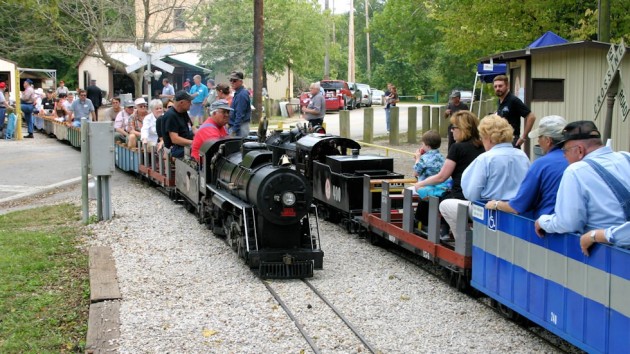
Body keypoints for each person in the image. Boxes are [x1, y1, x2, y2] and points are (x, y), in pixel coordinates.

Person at [535, 120, 630, 238]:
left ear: (580, 150)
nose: (564, 155)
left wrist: (543, 221)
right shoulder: (626, 157)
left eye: (565, 150)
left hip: (602, 249)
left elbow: (568, 223)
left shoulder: (575, 171)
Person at [414, 111, 485, 238]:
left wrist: (420, 184)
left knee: (427, 193)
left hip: (460, 195)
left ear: (463, 129)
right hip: (479, 196)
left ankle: (427, 225)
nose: (451, 131)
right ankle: (444, 229)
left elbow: (442, 177)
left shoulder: (457, 148)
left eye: (453, 127)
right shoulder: (482, 146)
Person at [485, 115, 568, 219]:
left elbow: (517, 206)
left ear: (548, 140)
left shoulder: (541, 164)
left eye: (540, 137)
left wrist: (496, 204)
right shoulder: (577, 160)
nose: (538, 141)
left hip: (545, 226)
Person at [493, 75, 536, 148]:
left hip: (511, 140)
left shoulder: (513, 100)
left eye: (500, 86)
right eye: (495, 86)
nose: (498, 88)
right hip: (501, 139)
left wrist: (523, 137)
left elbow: (531, 117)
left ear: (507, 86)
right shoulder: (500, 100)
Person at [413, 130, 451, 199]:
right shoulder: (442, 157)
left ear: (427, 146)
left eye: (423, 144)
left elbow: (416, 173)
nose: (422, 146)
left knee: (404, 191)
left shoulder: (424, 158)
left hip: (425, 186)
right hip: (439, 187)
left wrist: (417, 159)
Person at [163, 91, 195, 158]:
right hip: (175, 148)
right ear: (181, 103)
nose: (191, 104)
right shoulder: (170, 116)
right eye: (189, 102)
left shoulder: (183, 112)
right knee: (198, 151)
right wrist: (193, 142)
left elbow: (193, 128)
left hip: (186, 145)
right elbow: (175, 139)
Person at [228, 71, 251, 137]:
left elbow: (240, 115)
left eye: (234, 80)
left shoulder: (241, 95)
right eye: (231, 80)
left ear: (241, 82)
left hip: (240, 128)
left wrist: (234, 130)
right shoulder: (239, 93)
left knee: (238, 146)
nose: (232, 82)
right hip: (239, 127)